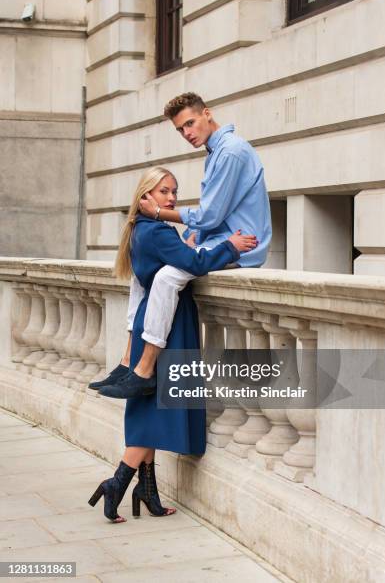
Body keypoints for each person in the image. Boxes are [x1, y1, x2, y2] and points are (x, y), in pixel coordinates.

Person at [88, 166, 257, 522]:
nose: (171, 198)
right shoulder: (158, 231)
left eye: (174, 192)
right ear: (145, 196)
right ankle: (116, 483)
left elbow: (175, 259)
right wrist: (231, 245)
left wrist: (182, 246)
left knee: (150, 406)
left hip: (149, 324)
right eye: (163, 191)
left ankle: (147, 490)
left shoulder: (141, 231)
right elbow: (194, 263)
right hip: (167, 328)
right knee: (155, 408)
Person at [89, 92, 272, 398]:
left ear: (207, 114)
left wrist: (159, 212)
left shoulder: (229, 153)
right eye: (180, 129)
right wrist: (195, 238)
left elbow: (210, 213)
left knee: (164, 277)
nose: (187, 133)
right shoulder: (216, 153)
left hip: (241, 246)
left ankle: (144, 370)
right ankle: (125, 362)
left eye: (190, 123)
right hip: (218, 240)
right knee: (141, 278)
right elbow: (217, 214)